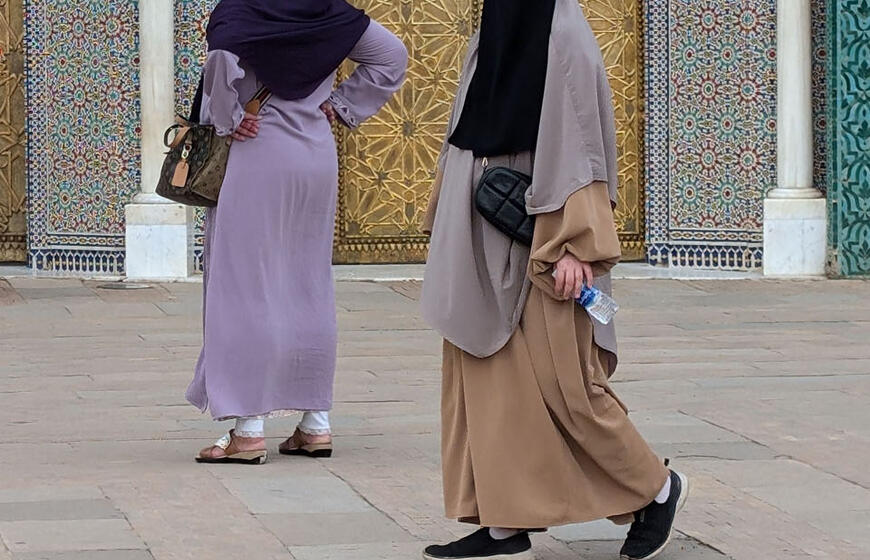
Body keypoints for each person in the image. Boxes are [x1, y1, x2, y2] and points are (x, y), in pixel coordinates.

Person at [420, 0, 688, 559]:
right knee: (493, 384)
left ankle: (657, 489)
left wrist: (577, 246)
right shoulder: (494, 27)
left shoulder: (562, 30)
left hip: (544, 239)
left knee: (566, 384)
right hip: (482, 234)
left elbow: (582, 146)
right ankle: (504, 523)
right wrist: (445, 219)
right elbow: (463, 128)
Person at [186, 0, 407, 465]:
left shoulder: (241, 11)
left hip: (257, 155)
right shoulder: (327, 10)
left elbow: (221, 59)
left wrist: (228, 119)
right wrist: (342, 104)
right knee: (308, 284)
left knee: (246, 287)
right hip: (315, 156)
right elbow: (392, 56)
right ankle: (315, 425)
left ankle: (248, 431)